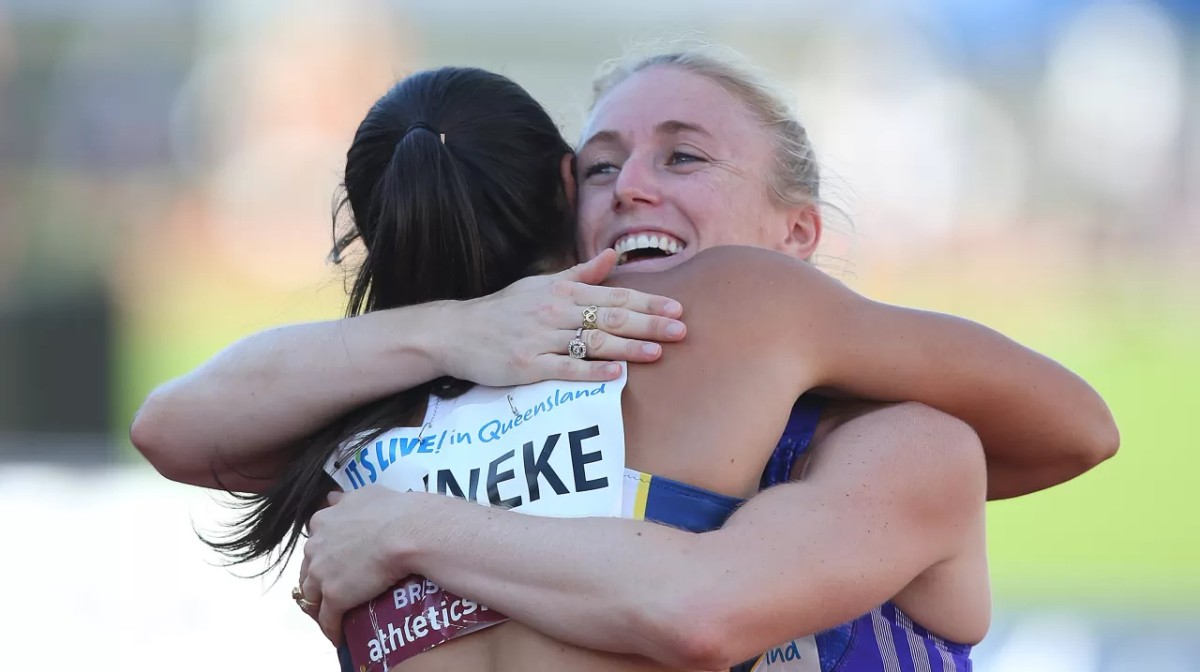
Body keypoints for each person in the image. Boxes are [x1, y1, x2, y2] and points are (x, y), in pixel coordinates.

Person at [133, 52, 1117, 672]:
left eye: (683, 159)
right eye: (600, 168)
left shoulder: (902, 445)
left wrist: (409, 529)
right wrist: (452, 329)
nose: (633, 188)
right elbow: (172, 427)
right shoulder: (451, 397)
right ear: (563, 207)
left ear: (798, 234)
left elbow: (1083, 427)